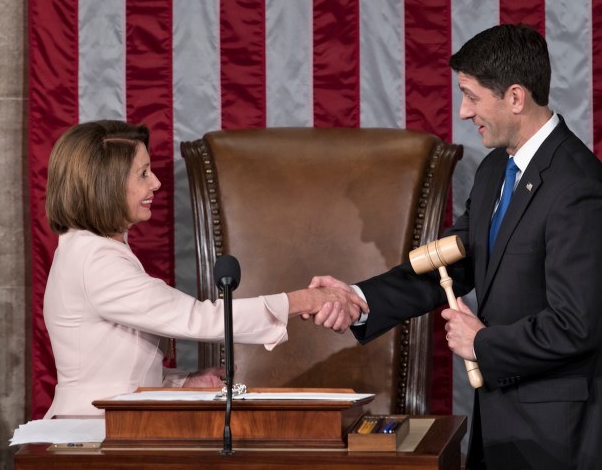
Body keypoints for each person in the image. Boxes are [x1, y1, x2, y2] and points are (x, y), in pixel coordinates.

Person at [310, 24, 602, 469]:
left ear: (516, 98)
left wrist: (483, 343)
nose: (464, 112)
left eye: (472, 96)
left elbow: (577, 324)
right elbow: (453, 262)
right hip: (502, 428)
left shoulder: (578, 185)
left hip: (560, 440)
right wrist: (360, 299)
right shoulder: (494, 172)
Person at [42, 120, 368, 419]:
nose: (155, 183)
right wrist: (304, 301)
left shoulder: (92, 249)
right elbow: (199, 318)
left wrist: (184, 382)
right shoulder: (96, 260)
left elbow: (114, 368)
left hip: (110, 425)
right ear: (106, 184)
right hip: (88, 431)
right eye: (142, 174)